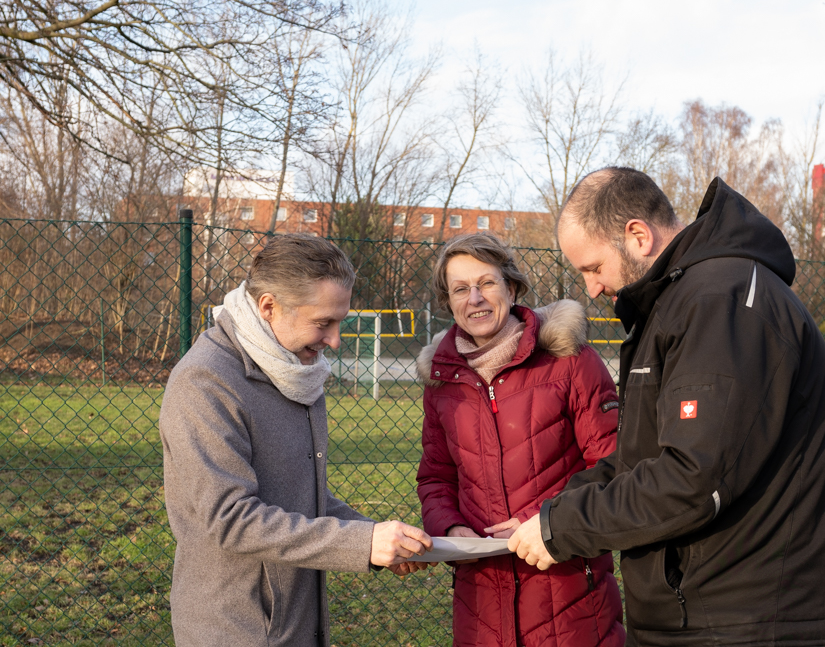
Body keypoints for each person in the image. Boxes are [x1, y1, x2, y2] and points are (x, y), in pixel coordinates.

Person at [509, 169, 825, 646]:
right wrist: (550, 513)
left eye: (593, 268)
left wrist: (563, 528)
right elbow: (642, 455)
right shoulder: (678, 302)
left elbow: (693, 480)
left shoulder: (721, 301)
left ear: (637, 235)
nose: (591, 289)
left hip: (748, 621)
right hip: (705, 613)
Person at [160, 234, 434, 647]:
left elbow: (299, 496)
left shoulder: (293, 370)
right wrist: (362, 543)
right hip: (236, 629)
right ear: (268, 306)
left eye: (339, 321)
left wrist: (373, 533)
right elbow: (230, 519)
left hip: (296, 621)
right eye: (323, 323)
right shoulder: (206, 381)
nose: (335, 340)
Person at [416, 232, 626, 647]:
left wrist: (544, 519)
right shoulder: (441, 382)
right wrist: (451, 526)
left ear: (511, 289)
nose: (474, 298)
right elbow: (435, 477)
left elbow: (613, 462)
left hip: (567, 590)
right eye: (460, 289)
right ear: (449, 302)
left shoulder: (570, 360)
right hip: (480, 601)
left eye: (486, 283)